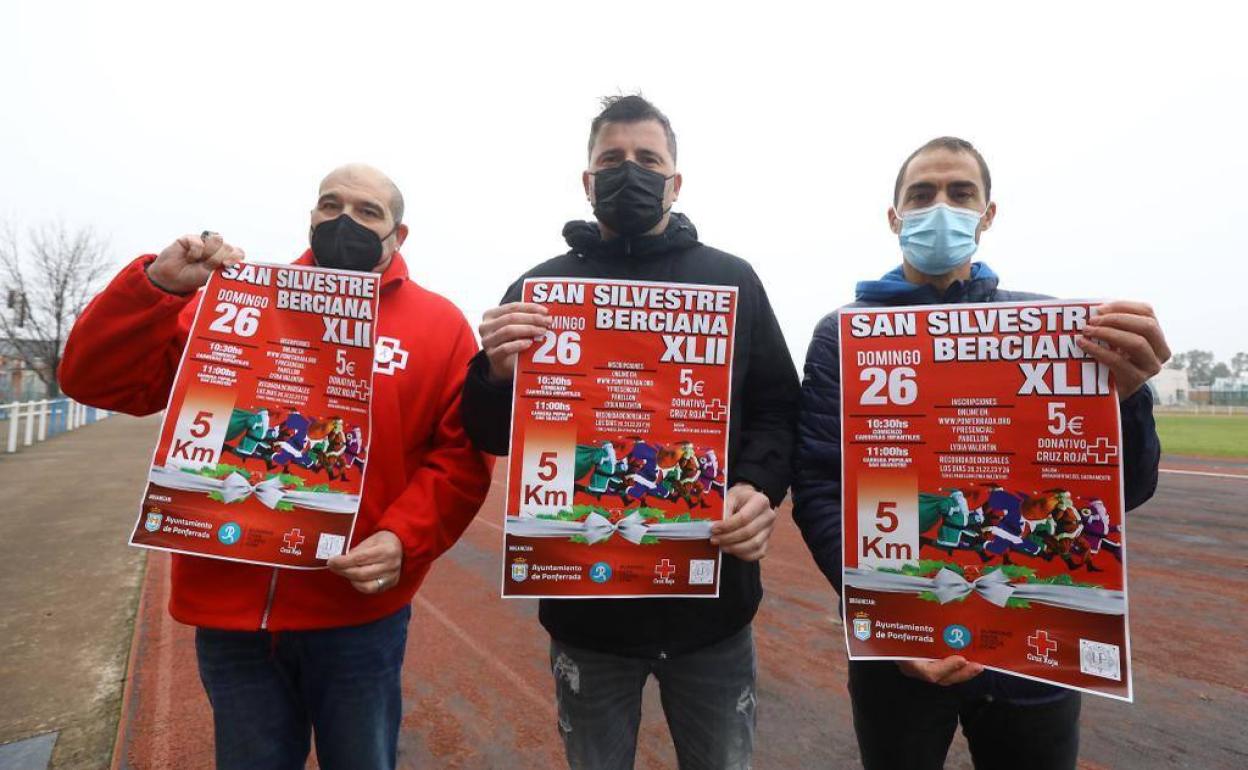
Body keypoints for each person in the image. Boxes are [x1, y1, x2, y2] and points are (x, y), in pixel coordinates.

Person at [59, 164, 493, 770]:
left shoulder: (439, 323)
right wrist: (159, 288)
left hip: (357, 614)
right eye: (330, 205)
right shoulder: (237, 298)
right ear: (311, 217)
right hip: (231, 614)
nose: (344, 220)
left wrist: (405, 538)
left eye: (368, 212)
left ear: (399, 234)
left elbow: (459, 458)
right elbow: (94, 381)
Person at [791, 137, 1168, 770]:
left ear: (987, 213)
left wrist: (1128, 399)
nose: (941, 207)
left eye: (960, 193)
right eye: (922, 194)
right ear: (894, 216)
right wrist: (887, 616)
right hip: (901, 651)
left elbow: (1127, 491)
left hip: (1034, 655)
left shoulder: (1056, 331)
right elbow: (823, 490)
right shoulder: (843, 334)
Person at [461, 95, 801, 770]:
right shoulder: (540, 288)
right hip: (588, 618)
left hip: (713, 612)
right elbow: (491, 432)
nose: (630, 172)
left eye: (648, 159)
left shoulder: (730, 279)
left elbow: (777, 409)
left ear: (675, 181)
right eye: (611, 159)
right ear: (587, 181)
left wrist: (756, 487)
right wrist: (495, 374)